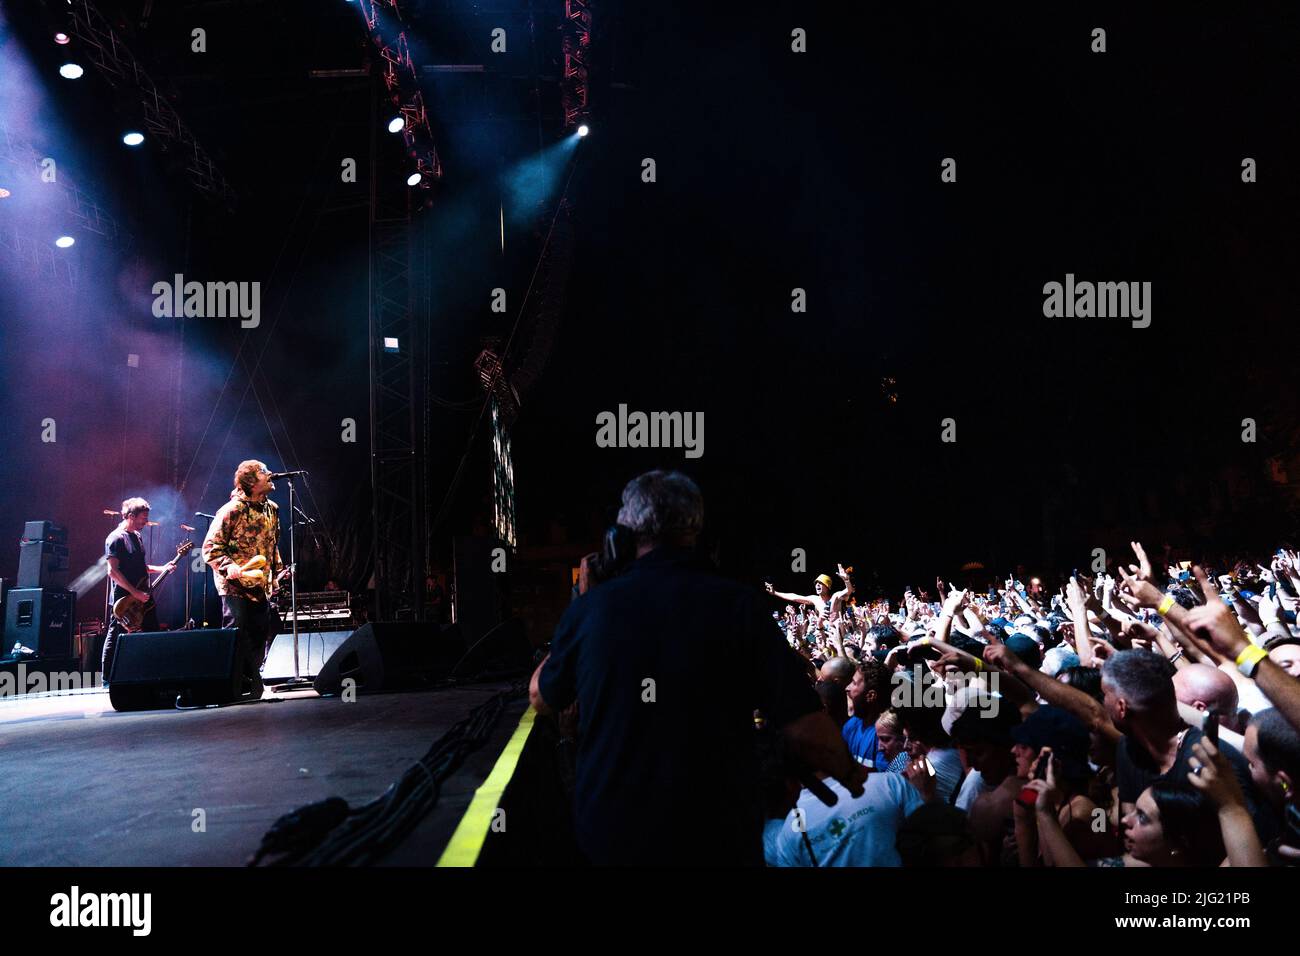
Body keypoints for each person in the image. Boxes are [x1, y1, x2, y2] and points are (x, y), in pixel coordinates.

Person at [529, 470, 865, 865]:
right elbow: (806, 728)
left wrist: (583, 603)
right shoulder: (739, 607)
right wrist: (849, 771)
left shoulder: (592, 608)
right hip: (717, 836)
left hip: (613, 839)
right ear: (696, 531)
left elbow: (542, 697)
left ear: (620, 538)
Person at [202, 460, 289, 700]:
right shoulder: (231, 510)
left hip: (261, 583)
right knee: (237, 633)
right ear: (250, 481)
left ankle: (252, 684)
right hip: (234, 585)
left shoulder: (273, 508)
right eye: (263, 471)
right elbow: (210, 548)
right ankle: (231, 685)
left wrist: (277, 574)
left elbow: (271, 545)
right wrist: (229, 567)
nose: (270, 473)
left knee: (260, 632)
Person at [101, 498, 178, 682]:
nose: (145, 522)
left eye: (146, 518)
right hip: (124, 599)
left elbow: (140, 566)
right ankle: (107, 678)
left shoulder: (137, 536)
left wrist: (162, 568)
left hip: (143, 594)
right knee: (116, 634)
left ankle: (154, 673)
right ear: (130, 516)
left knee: (152, 630)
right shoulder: (115, 538)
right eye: (142, 518)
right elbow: (112, 571)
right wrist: (135, 593)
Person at [843, 658, 893, 769]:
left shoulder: (889, 735)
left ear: (870, 695)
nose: (847, 688)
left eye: (854, 683)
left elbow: (889, 780)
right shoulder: (851, 725)